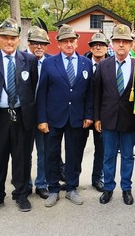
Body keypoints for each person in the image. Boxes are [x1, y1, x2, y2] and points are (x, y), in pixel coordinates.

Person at [0, 18, 38, 213]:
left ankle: (21, 195)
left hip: (22, 116)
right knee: (0, 158)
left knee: (21, 159)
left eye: (13, 38)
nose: (9, 41)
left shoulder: (28, 60)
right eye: (5, 37)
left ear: (18, 39)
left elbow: (32, 86)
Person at [37, 24, 94, 207]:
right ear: (59, 44)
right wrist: (42, 119)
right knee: (51, 154)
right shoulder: (48, 63)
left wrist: (88, 115)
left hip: (77, 118)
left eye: (72, 41)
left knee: (74, 154)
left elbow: (89, 93)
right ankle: (53, 189)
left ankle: (71, 188)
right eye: (65, 41)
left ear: (77, 42)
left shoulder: (86, 63)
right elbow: (42, 94)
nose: (69, 44)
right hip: (53, 118)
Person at [94, 24, 135, 205]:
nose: (121, 45)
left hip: (130, 120)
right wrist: (97, 118)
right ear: (112, 44)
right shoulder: (104, 65)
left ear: (131, 45)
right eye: (117, 41)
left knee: (127, 156)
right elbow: (97, 94)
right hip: (108, 120)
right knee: (108, 156)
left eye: (125, 42)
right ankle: (108, 188)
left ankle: (126, 188)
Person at [25, 26, 52, 199]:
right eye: (35, 43)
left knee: (44, 152)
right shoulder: (21, 60)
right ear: (29, 44)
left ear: (47, 46)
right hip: (25, 115)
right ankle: (25, 183)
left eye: (42, 44)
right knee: (24, 152)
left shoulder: (51, 62)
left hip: (45, 115)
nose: (39, 47)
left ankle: (41, 183)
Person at [85, 32, 111, 192]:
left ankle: (98, 178)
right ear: (91, 48)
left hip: (102, 115)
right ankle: (71, 178)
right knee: (75, 148)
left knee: (101, 149)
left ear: (107, 48)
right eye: (95, 44)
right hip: (83, 115)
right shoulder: (82, 63)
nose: (98, 47)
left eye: (101, 44)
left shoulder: (111, 65)